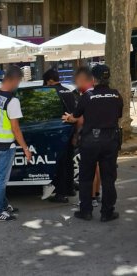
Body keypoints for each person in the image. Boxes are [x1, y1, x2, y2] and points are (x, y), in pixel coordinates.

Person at [62, 64, 123, 222]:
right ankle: (107, 213)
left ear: (93, 79)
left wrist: (69, 118)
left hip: (90, 141)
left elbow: (76, 115)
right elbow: (118, 114)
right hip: (110, 141)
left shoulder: (87, 96)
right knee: (108, 178)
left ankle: (86, 211)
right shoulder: (116, 95)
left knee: (86, 178)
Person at [0, 65, 32, 222]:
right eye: (19, 81)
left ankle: (4, 205)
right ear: (14, 80)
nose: (18, 85)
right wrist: (26, 149)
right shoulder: (12, 101)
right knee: (2, 180)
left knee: (0, 177)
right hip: (7, 145)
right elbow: (15, 129)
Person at [42, 69, 77, 202]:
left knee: (59, 163)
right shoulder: (68, 91)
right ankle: (70, 188)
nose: (45, 85)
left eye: (46, 82)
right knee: (68, 160)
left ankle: (61, 194)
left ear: (50, 80)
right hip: (70, 130)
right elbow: (76, 112)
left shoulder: (50, 92)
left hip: (57, 132)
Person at [72, 67, 102, 208]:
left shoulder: (86, 96)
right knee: (97, 168)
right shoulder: (100, 93)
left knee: (89, 170)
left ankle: (91, 199)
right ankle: (96, 195)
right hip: (104, 137)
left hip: (90, 137)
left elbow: (80, 119)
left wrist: (76, 131)